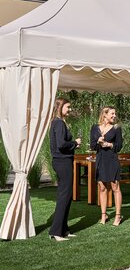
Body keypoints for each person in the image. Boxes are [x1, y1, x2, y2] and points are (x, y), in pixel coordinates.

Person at [49, 98, 81, 241]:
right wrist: (75, 143)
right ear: (60, 107)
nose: (69, 109)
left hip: (61, 162)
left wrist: (72, 145)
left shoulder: (57, 123)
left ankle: (63, 229)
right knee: (64, 196)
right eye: (67, 107)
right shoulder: (59, 123)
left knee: (66, 196)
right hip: (63, 162)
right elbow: (62, 144)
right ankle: (56, 232)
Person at [90, 106, 123, 226]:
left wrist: (109, 144)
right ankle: (103, 215)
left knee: (115, 187)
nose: (114, 116)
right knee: (102, 188)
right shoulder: (95, 128)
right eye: (112, 114)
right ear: (104, 115)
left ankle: (118, 216)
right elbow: (93, 146)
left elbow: (119, 146)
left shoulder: (116, 128)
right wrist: (98, 142)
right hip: (100, 159)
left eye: (115, 114)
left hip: (112, 159)